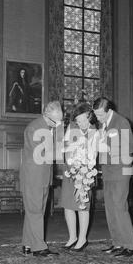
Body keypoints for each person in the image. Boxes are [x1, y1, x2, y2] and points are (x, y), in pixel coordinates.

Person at [93, 97, 133, 257]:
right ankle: (118, 243)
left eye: (100, 115)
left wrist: (108, 148)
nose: (98, 119)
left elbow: (129, 148)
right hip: (108, 171)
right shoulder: (104, 123)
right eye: (96, 115)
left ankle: (131, 246)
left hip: (120, 170)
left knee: (120, 207)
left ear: (109, 110)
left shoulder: (121, 122)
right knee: (110, 208)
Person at [20, 101, 63, 257]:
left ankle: (27, 244)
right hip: (34, 177)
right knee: (36, 211)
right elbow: (42, 155)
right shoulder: (35, 127)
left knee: (34, 211)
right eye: (57, 120)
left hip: (42, 176)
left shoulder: (46, 127)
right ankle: (39, 247)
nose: (59, 123)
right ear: (48, 115)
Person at [60, 103, 100, 252]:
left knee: (82, 206)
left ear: (89, 116)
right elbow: (66, 147)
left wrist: (82, 172)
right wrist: (71, 163)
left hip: (85, 172)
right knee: (68, 204)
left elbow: (93, 156)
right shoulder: (72, 127)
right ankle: (72, 237)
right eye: (77, 120)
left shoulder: (95, 132)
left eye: (83, 120)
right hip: (70, 170)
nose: (80, 123)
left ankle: (82, 239)